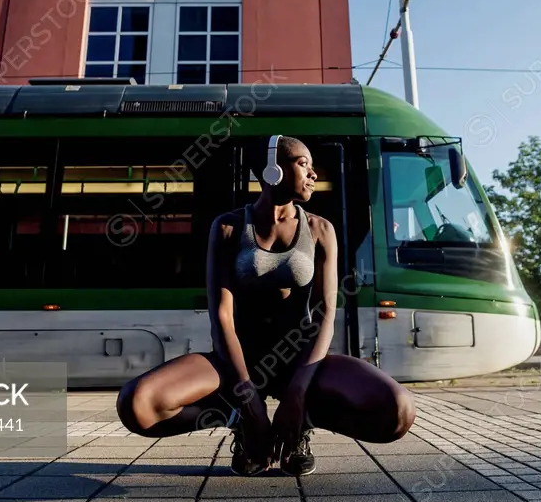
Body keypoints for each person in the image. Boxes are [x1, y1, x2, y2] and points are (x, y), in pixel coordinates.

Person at [116, 135, 416, 477]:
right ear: (273, 170)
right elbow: (222, 318)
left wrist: (297, 393)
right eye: (304, 164)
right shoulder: (228, 227)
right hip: (237, 363)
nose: (314, 174)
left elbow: (324, 315)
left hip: (301, 361)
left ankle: (302, 424)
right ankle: (239, 425)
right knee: (136, 404)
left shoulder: (320, 229)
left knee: (398, 412)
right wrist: (247, 399)